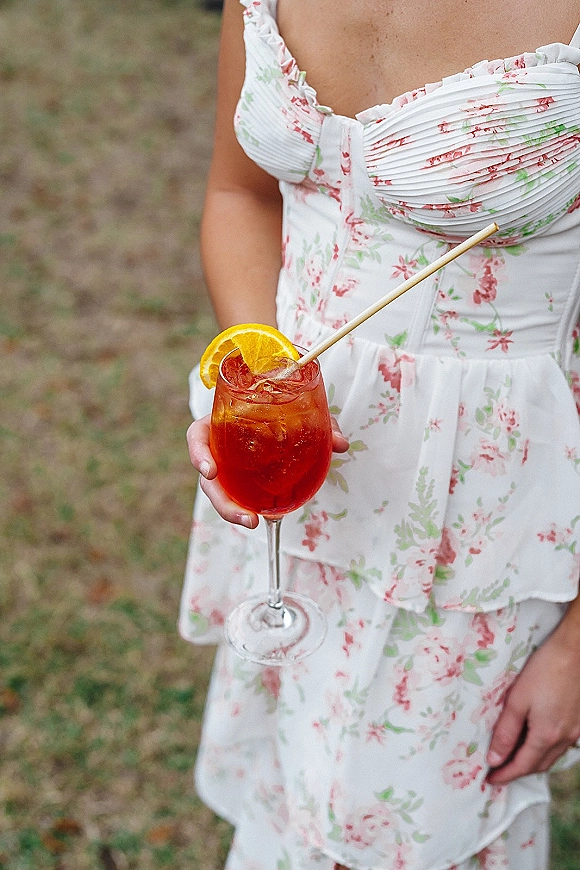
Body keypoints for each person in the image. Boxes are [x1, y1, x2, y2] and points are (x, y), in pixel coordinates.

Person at [180, 1, 580, 867]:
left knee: (422, 831)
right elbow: (238, 193)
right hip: (306, 484)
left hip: (481, 516)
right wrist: (250, 388)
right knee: (300, 796)